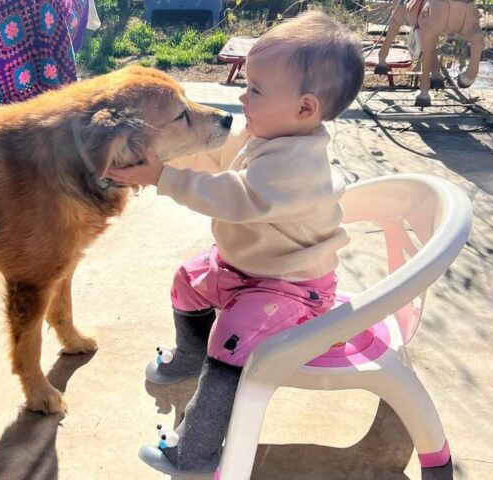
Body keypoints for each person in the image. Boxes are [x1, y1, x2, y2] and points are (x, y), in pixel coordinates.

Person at [107, 11, 365, 475]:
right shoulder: (266, 132)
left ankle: (196, 452)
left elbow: (235, 197)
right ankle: (187, 355)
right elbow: (217, 159)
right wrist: (162, 157)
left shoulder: (298, 166)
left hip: (289, 288)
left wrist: (164, 179)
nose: (242, 96)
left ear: (305, 108)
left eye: (256, 90)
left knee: (230, 343)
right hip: (248, 270)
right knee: (187, 279)